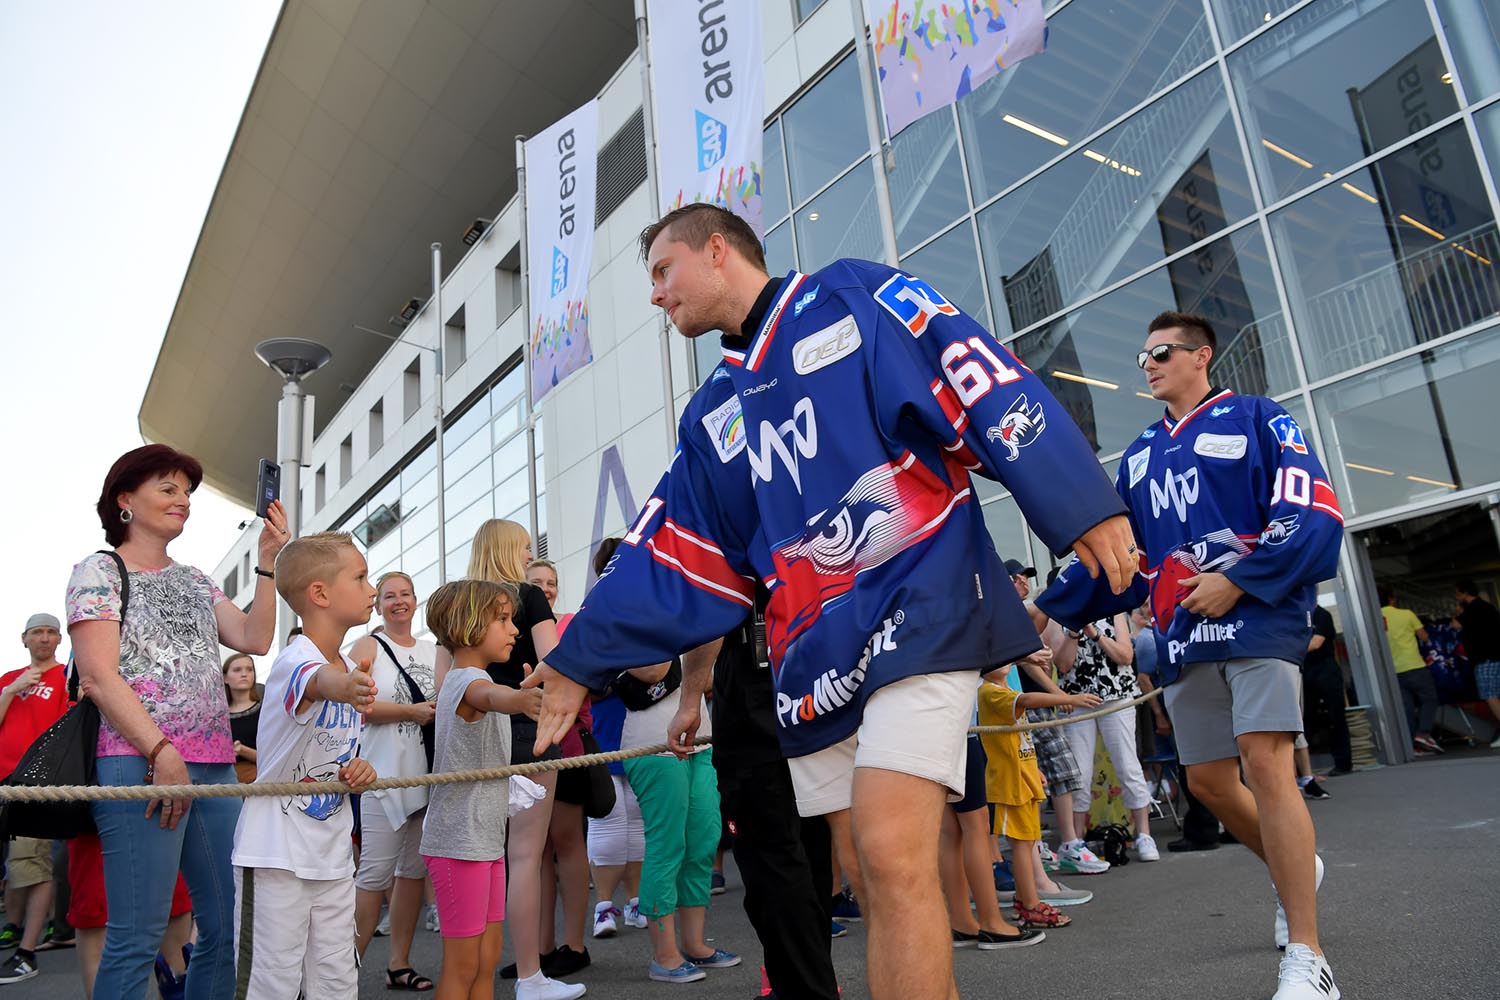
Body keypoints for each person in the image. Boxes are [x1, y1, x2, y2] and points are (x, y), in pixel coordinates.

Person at [523, 203, 1136, 1000]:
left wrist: (1079, 498)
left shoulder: (853, 296)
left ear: (717, 250)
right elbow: (670, 545)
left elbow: (979, 375)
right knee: (876, 875)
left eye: (664, 271)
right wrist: (581, 657)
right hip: (811, 660)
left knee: (888, 849)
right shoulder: (713, 410)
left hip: (920, 603)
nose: (655, 295)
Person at [1039, 310, 1346, 999]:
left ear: (1201, 355)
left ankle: (1308, 954)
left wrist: (1241, 578)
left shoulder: (1260, 418)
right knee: (1208, 782)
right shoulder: (1141, 454)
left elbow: (1314, 512)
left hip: (1260, 621)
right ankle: (1298, 866)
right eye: (1143, 357)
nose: (1148, 365)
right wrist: (1044, 607)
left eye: (1162, 353)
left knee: (1266, 764)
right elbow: (1119, 558)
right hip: (1183, 637)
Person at [67, 444, 288, 1000]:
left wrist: (268, 562)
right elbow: (97, 676)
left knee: (229, 924)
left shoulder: (195, 578)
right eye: (168, 489)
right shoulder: (99, 570)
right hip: (138, 764)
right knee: (137, 935)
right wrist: (161, 752)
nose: (183, 500)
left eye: (186, 492)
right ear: (125, 499)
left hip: (213, 768)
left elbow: (255, 638)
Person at [578, 542, 741, 985]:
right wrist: (682, 626)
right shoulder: (616, 612)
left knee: (703, 839)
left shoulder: (671, 601)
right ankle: (664, 955)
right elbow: (650, 670)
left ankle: (695, 945)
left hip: (700, 739)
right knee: (667, 845)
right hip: (650, 745)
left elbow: (709, 670)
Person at [668, 581, 840, 998]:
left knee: (777, 861)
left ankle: (807, 989)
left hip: (760, 699)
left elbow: (714, 606)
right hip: (820, 692)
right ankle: (805, 982)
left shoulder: (731, 544)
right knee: (808, 854)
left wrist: (690, 699)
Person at [230, 531, 379, 999]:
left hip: (333, 857)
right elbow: (316, 683)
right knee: (270, 985)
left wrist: (359, 769)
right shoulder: (295, 661)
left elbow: (334, 751)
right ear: (320, 594)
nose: (372, 589)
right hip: (275, 855)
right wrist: (345, 686)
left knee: (337, 983)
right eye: (361, 578)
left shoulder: (349, 667)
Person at [469, 520, 584, 1000]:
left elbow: (446, 679)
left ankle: (473, 975)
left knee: (482, 858)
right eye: (522, 548)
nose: (527, 556)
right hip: (527, 728)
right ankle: (530, 977)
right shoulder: (528, 596)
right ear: (508, 550)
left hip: (476, 733)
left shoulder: (462, 599)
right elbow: (553, 662)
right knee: (524, 857)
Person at [421, 578, 543, 1000]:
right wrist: (519, 700)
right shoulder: (464, 681)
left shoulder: (474, 678)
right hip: (458, 841)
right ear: (471, 625)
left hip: (483, 839)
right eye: (504, 620)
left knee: (487, 958)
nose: (515, 630)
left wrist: (518, 698)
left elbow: (492, 694)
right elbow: (488, 696)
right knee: (463, 965)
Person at [348, 571, 439, 991]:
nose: (399, 601)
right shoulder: (367, 646)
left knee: (412, 873)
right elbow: (351, 705)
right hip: (382, 776)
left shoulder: (433, 649)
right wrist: (410, 712)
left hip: (427, 775)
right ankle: (340, 973)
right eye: (389, 596)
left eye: (405, 594)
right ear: (379, 604)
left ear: (416, 600)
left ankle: (398, 964)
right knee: (374, 875)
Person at [976, 665, 1100, 933]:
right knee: (1021, 846)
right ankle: (1030, 905)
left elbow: (1018, 739)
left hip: (1025, 778)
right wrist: (1069, 698)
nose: (1004, 662)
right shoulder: (990, 692)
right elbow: (1028, 700)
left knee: (1029, 841)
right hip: (1011, 785)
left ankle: (1025, 900)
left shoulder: (1005, 689)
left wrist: (1035, 770)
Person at [1003, 562, 1107, 877]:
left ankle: (1063, 844)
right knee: (1036, 778)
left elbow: (1035, 651)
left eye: (1025, 578)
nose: (1023, 582)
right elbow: (1026, 659)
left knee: (1058, 773)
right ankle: (1042, 847)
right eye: (1018, 578)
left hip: (1035, 702)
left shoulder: (1023, 612)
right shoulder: (1008, 613)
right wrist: (1061, 695)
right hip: (1022, 704)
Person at [527, 559, 593, 979]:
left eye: (551, 582)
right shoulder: (514, 626)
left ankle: (575, 945)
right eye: (537, 582)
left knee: (567, 842)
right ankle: (541, 949)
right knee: (535, 852)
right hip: (525, 748)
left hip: (566, 745)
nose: (546, 589)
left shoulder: (570, 624)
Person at [1051, 613, 1158, 861]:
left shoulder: (1114, 611)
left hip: (1117, 695)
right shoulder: (1061, 614)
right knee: (1079, 773)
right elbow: (1062, 665)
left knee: (1128, 764)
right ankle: (1076, 841)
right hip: (1076, 700)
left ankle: (1144, 834)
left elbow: (1126, 656)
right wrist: (1074, 632)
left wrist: (1095, 633)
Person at [0, 613, 70, 983]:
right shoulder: (9, 679)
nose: (44, 638)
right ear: (23, 638)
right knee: (15, 864)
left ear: (59, 639)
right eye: (37, 632)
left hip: (37, 783)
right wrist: (11, 690)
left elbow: (66, 732)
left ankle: (26, 952)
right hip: (4, 781)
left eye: (50, 632)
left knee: (34, 862)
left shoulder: (64, 677)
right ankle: (12, 927)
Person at [1380, 586, 1439, 755]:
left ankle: (1414, 745)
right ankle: (1423, 733)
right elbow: (1424, 637)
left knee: (1406, 708)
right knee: (1429, 699)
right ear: (1392, 599)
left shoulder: (1375, 618)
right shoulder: (1406, 614)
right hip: (1414, 665)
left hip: (1393, 671)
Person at [1301, 605, 1351, 777]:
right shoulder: (1296, 615)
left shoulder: (1321, 615)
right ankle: (1303, 771)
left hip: (1326, 670)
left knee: (1335, 716)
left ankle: (1343, 764)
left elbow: (1316, 643)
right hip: (1305, 671)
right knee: (1306, 719)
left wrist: (1288, 648)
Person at [1450, 579, 1500, 748]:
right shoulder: (1488, 607)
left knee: (1490, 695)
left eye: (1457, 593)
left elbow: (1455, 625)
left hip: (1484, 658)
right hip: (1495, 655)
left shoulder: (1472, 609)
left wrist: (1458, 612)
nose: (1456, 596)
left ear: (1464, 593)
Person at [224, 653, 261, 783]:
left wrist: (243, 750)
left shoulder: (266, 712)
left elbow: (275, 757)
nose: (244, 674)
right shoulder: (216, 716)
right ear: (225, 678)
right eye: (237, 670)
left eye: (249, 669)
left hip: (258, 780)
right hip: (222, 782)